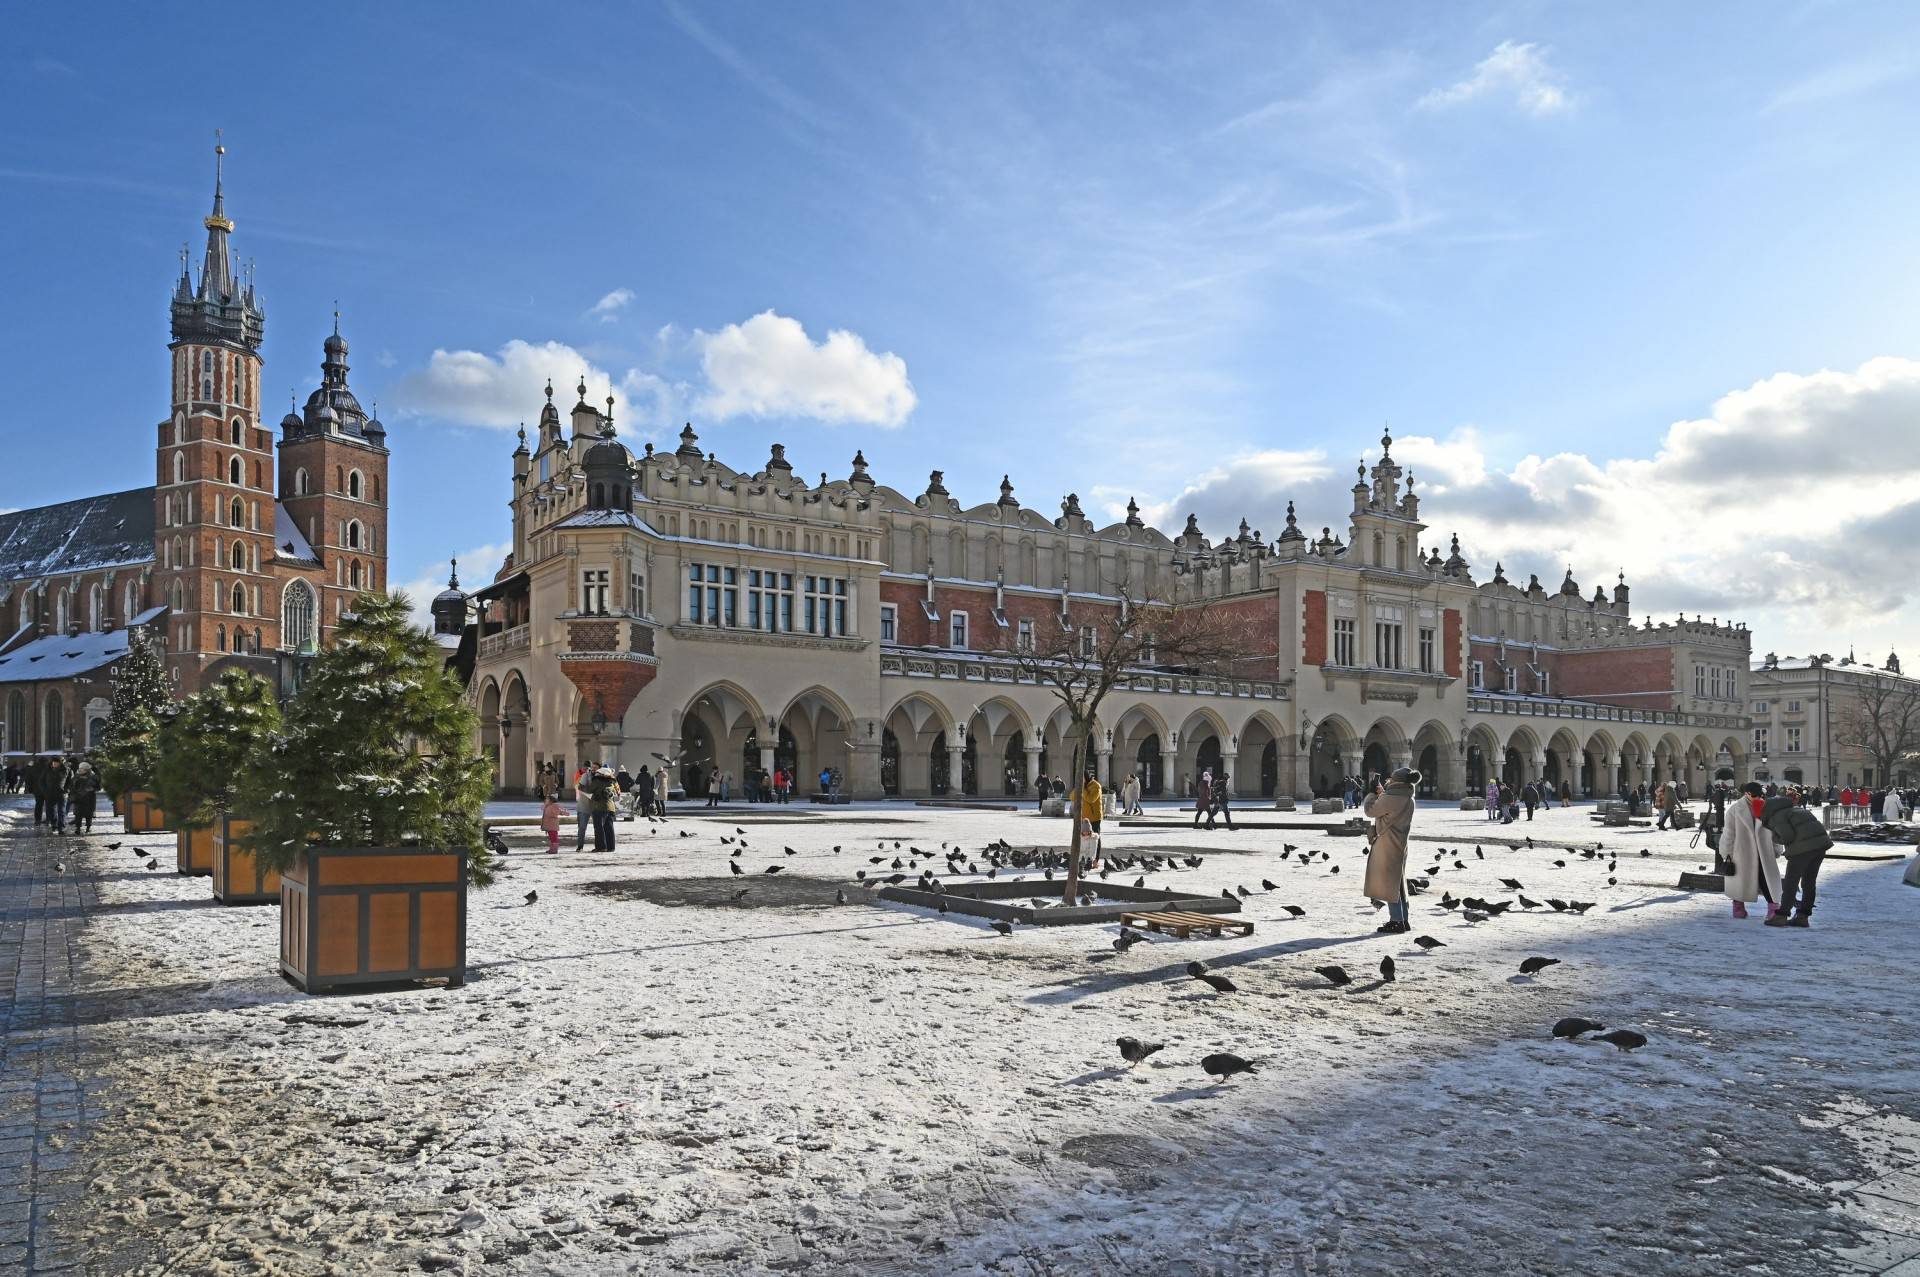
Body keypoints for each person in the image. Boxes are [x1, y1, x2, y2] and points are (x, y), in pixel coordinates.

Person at [1761, 793, 1833, 927]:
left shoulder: (1777, 816)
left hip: (1802, 849)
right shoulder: (1797, 809)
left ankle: (1781, 915)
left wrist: (1774, 837)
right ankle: (1803, 916)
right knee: (1809, 882)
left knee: (1791, 882)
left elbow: (1787, 837)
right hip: (1820, 845)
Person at [1363, 767, 1419, 934]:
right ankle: (1403, 919)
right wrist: (1382, 794)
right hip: (1400, 844)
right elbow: (1389, 809)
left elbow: (1370, 811)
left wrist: (1372, 794)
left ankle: (1396, 921)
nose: (1389, 781)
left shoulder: (1391, 797)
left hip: (1387, 844)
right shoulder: (1408, 797)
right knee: (1398, 882)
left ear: (1397, 781)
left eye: (1392, 779)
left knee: (1389, 883)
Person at [1721, 782, 1782, 919]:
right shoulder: (1735, 809)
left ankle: (1773, 908)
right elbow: (1729, 832)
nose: (1756, 798)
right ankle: (1738, 908)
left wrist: (1777, 848)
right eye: (1753, 795)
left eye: (1759, 795)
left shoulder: (1766, 807)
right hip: (1742, 851)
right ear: (1746, 793)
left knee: (1767, 880)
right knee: (1740, 880)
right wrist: (1727, 851)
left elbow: (1775, 831)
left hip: (1764, 851)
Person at [590, 766, 619, 851]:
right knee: (609, 828)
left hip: (599, 807)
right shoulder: (611, 782)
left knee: (599, 828)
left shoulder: (597, 781)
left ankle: (601, 847)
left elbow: (589, 789)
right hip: (611, 808)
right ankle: (611, 847)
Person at [67, 761, 100, 834]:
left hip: (89, 799)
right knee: (78, 814)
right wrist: (72, 794)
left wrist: (92, 789)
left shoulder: (93, 777)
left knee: (89, 815)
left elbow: (98, 787)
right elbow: (71, 786)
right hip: (78, 798)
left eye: (82, 769)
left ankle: (88, 828)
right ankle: (78, 828)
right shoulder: (76, 776)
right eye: (80, 768)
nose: (80, 770)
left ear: (87, 769)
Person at [42, 758, 69, 834]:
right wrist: (45, 790)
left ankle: (61, 827)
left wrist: (66, 789)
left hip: (61, 793)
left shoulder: (66, 770)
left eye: (56, 762)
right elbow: (41, 781)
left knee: (61, 811)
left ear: (60, 763)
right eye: (53, 762)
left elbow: (70, 781)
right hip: (50, 793)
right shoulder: (47, 770)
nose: (54, 764)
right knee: (51, 811)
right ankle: (54, 825)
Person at [573, 766, 592, 852]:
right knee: (582, 827)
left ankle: (601, 845)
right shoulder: (584, 776)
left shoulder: (598, 777)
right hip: (583, 806)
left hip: (593, 806)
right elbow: (578, 787)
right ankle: (580, 846)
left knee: (582, 827)